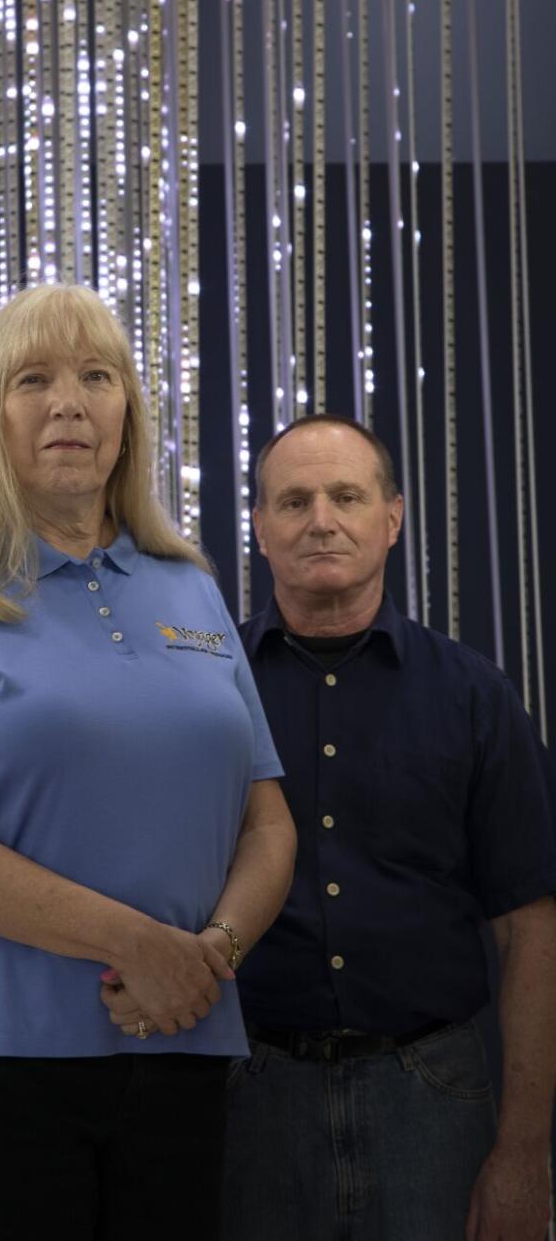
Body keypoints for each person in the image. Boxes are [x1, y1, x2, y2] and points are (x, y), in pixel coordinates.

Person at [0, 283, 297, 1241]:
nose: (70, 402)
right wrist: (134, 945)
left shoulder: (191, 584)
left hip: (180, 1040)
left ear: (127, 411)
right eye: (34, 379)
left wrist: (207, 958)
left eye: (98, 376)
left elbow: (268, 822)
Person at [224, 413, 556, 1241]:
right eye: (293, 501)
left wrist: (522, 1154)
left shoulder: (475, 698)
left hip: (435, 1095)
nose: (321, 520)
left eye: (346, 495)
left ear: (393, 518)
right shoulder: (206, 693)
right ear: (259, 528)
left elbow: (532, 935)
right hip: (249, 1094)